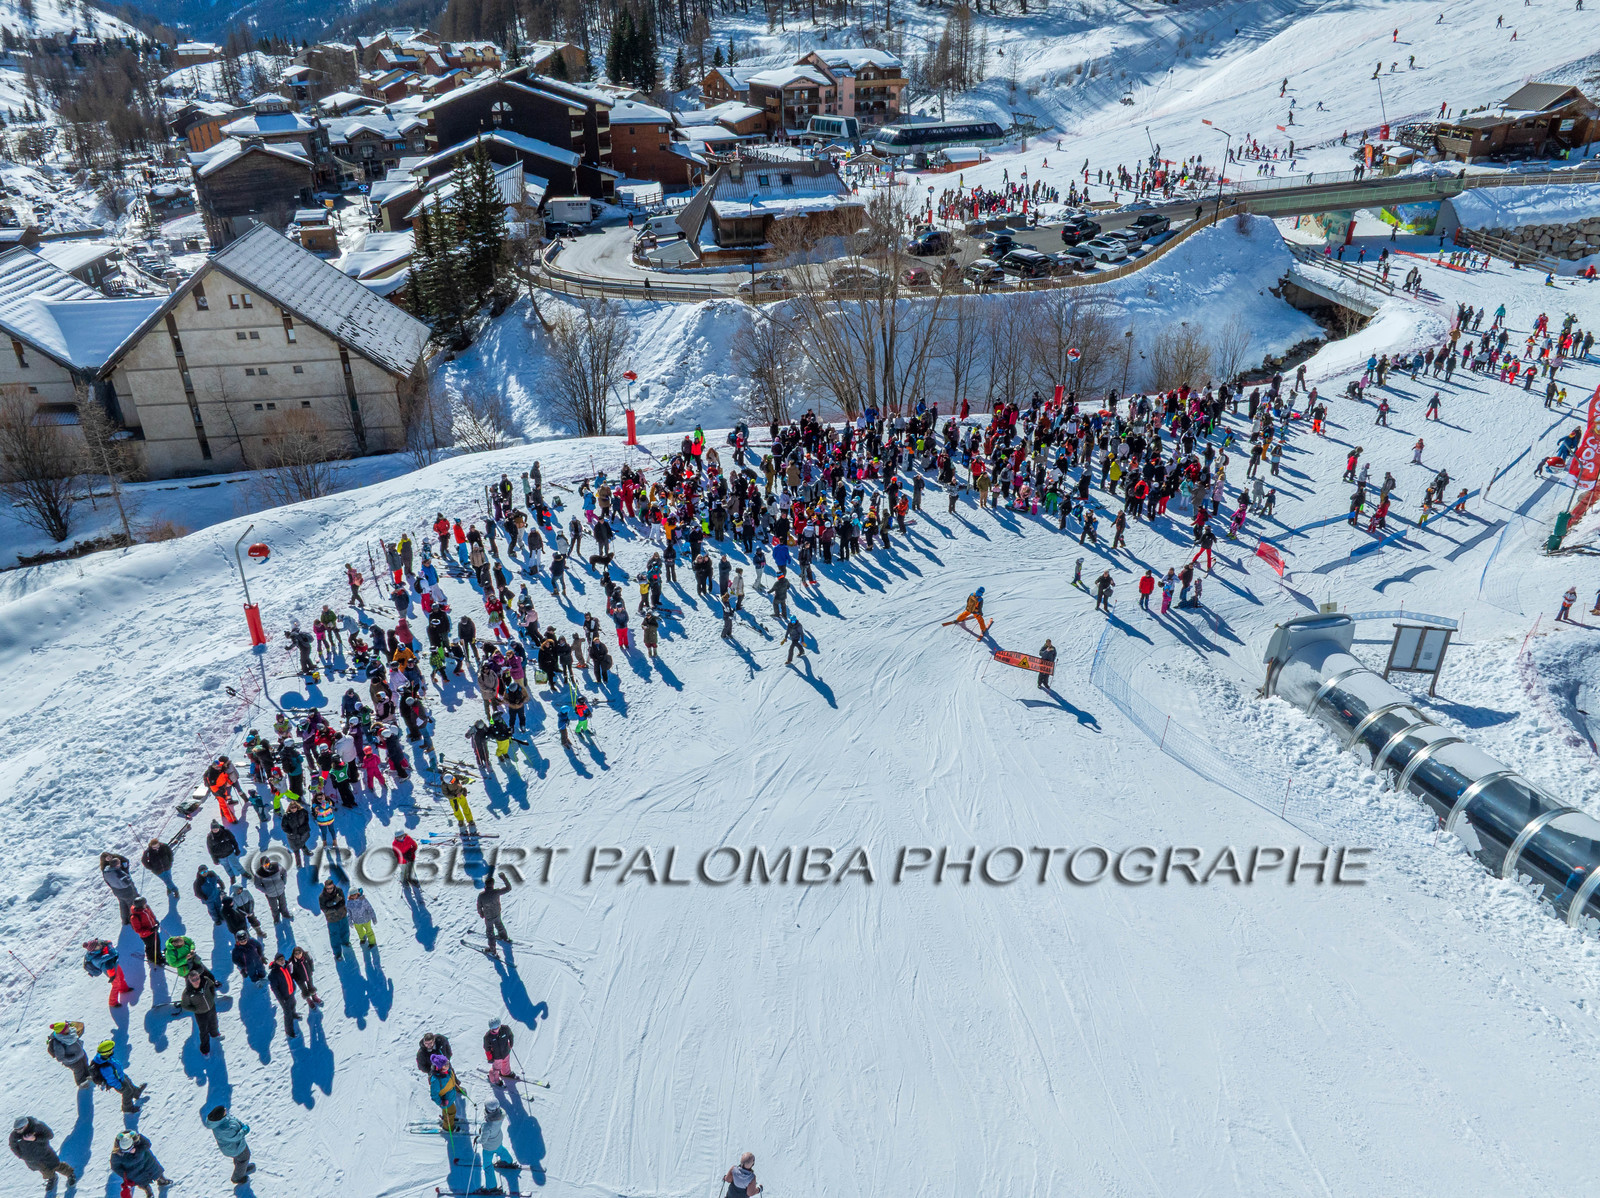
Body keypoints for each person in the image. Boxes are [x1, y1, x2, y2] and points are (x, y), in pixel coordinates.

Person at [9, 1116, 75, 1189]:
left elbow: (50, 1136)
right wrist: (21, 1155)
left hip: (45, 1154)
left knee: (56, 1166)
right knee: (44, 1170)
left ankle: (70, 1174)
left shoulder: (37, 1127)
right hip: (32, 1160)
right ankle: (52, 1178)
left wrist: (35, 1138)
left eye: (19, 1129)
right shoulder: (15, 1135)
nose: (18, 1131)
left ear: (26, 1125)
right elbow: (13, 1145)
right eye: (16, 1130)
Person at [204, 1104, 254, 1186]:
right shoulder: (223, 1129)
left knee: (240, 1159)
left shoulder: (219, 1120)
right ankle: (237, 1177)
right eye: (224, 1110)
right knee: (244, 1158)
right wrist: (245, 1130)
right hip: (235, 1148)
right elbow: (236, 1136)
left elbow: (233, 1119)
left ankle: (241, 1169)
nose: (226, 1109)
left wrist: (241, 1124)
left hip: (234, 1146)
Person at [109, 1129, 170, 1197]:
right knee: (143, 1183)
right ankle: (149, 1192)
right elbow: (115, 1167)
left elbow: (147, 1144)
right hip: (136, 1173)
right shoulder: (117, 1155)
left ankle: (162, 1182)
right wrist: (125, 1174)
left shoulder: (137, 1143)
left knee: (157, 1174)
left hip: (149, 1165)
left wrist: (137, 1137)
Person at [90, 1040, 147, 1112]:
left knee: (129, 1082)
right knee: (127, 1093)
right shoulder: (105, 1067)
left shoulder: (103, 1056)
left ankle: (136, 1092)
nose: (113, 1050)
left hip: (120, 1075)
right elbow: (111, 1080)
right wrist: (120, 1086)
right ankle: (127, 1108)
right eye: (111, 1049)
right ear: (107, 1052)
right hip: (118, 1082)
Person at [179, 965, 221, 1055]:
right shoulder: (188, 993)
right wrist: (195, 1009)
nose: (196, 981)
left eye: (197, 978)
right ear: (189, 981)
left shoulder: (205, 981)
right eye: (193, 980)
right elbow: (184, 1005)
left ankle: (215, 1034)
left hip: (211, 1007)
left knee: (214, 1022)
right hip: (200, 1014)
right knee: (204, 1031)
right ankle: (205, 1050)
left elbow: (212, 986)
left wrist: (212, 996)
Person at [46, 1020, 91, 1087]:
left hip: (81, 1054)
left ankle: (88, 1074)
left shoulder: (70, 1033)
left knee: (85, 1064)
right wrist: (72, 1058)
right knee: (79, 1071)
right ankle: (81, 1082)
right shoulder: (58, 1043)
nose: (68, 1028)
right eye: (66, 1028)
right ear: (62, 1032)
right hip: (73, 1061)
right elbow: (60, 1058)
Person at [479, 1101, 517, 1177]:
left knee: (487, 1166)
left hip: (488, 1147)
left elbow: (483, 1140)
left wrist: (477, 1140)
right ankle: (509, 1161)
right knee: (501, 1150)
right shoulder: (500, 1117)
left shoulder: (487, 1125)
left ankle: (491, 1187)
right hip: (498, 1140)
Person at [479, 875, 512, 955]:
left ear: (485, 885)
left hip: (488, 917)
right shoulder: (496, 892)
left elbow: (479, 906)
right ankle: (504, 937)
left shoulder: (481, 895)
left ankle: (492, 950)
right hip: (497, 914)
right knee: (499, 925)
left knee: (490, 932)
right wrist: (504, 878)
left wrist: (482, 914)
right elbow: (508, 888)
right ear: (492, 885)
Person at [485, 1017, 515, 1087]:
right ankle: (494, 1080)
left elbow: (511, 1035)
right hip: (496, 1056)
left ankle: (506, 1073)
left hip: (506, 1052)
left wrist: (511, 1043)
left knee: (506, 1063)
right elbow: (487, 1048)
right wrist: (490, 1058)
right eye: (493, 1028)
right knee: (496, 1068)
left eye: (497, 1027)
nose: (496, 1029)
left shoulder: (505, 1029)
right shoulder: (488, 1036)